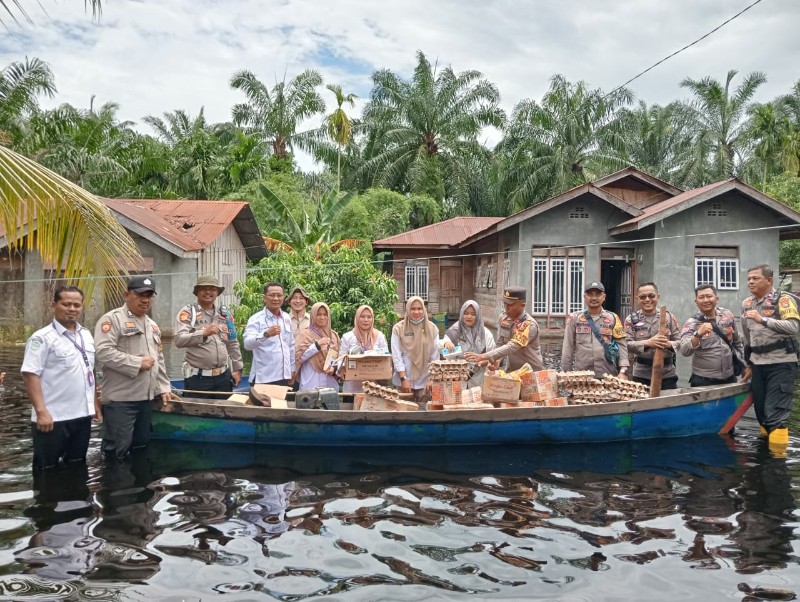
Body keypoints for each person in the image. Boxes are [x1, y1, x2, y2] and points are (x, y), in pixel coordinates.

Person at [94, 276, 171, 461]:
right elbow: (103, 352)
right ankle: (115, 488)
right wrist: (136, 363)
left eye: (149, 295)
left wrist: (163, 388)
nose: (145, 300)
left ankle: (140, 488)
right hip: (121, 400)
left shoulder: (152, 325)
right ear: (127, 294)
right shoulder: (112, 320)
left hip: (146, 399)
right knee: (117, 452)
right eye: (140, 295)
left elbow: (158, 359)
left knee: (140, 448)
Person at [21, 285, 97, 470]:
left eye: (77, 305)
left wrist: (94, 402)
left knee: (77, 466)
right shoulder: (42, 338)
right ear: (54, 304)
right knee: (46, 470)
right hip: (53, 418)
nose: (72, 309)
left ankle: (76, 498)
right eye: (66, 304)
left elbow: (89, 370)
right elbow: (30, 374)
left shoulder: (85, 335)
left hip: (82, 416)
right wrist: (41, 412)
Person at [740, 264, 800, 446]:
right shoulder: (747, 303)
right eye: (749, 278)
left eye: (755, 278)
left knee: (775, 413)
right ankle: (763, 459)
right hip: (758, 364)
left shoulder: (783, 300)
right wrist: (748, 364)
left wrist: (763, 320)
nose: (751, 281)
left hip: (782, 362)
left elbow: (793, 327)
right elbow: (747, 336)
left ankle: (777, 466)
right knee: (761, 413)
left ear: (769, 280)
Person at [174, 275, 244, 399]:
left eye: (212, 289)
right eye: (203, 288)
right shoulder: (189, 312)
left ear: (217, 293)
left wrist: (238, 369)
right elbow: (179, 340)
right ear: (197, 292)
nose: (208, 292)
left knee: (225, 414)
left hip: (224, 377)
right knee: (196, 415)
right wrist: (203, 333)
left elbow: (232, 342)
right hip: (198, 378)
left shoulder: (225, 314)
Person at [678, 284, 744, 387]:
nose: (705, 300)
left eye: (709, 296)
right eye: (701, 297)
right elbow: (684, 351)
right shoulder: (692, 323)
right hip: (703, 381)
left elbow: (737, 343)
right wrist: (698, 334)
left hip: (729, 378)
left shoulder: (727, 315)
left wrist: (744, 364)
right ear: (696, 302)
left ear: (716, 299)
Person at [466, 287, 543, 373]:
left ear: (522, 305)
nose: (506, 308)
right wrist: (497, 360)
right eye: (505, 304)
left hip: (531, 372)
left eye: (510, 305)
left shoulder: (529, 325)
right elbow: (501, 343)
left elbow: (512, 346)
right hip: (512, 371)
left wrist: (484, 356)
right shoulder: (503, 319)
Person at [561, 281, 629, 378]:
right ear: (584, 297)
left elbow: (622, 346)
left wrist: (623, 371)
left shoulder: (613, 318)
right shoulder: (574, 318)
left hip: (608, 375)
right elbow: (568, 347)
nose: (594, 298)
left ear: (604, 297)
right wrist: (565, 373)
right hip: (582, 376)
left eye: (598, 294)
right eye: (590, 294)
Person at [624, 282, 681, 389]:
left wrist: (668, 344)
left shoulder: (669, 317)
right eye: (642, 297)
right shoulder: (631, 320)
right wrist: (647, 343)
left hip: (667, 373)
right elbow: (626, 344)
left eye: (651, 296)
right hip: (641, 374)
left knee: (668, 403)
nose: (647, 299)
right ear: (637, 298)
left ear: (658, 296)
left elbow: (680, 342)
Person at [243, 282, 295, 386]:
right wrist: (266, 334)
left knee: (281, 403)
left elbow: (291, 345)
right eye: (272, 295)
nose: (276, 298)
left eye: (279, 295)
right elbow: (247, 345)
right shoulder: (256, 319)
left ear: (284, 298)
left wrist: (292, 369)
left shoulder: (286, 317)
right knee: (262, 403)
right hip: (263, 378)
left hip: (284, 376)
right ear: (264, 298)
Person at [391, 296, 440, 406]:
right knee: (404, 414)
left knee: (424, 416)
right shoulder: (398, 329)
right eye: (413, 309)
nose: (416, 312)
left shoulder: (432, 329)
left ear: (424, 309)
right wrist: (404, 379)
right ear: (408, 309)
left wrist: (432, 379)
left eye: (419, 308)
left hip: (425, 382)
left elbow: (435, 357)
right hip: (404, 381)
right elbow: (397, 356)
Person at [338, 305, 389, 394]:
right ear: (357, 318)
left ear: (372, 319)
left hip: (374, 388)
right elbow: (341, 357)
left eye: (369, 317)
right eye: (362, 316)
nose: (366, 320)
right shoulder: (348, 337)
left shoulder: (379, 336)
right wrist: (342, 368)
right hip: (352, 387)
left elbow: (385, 357)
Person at [445, 300, 497, 386]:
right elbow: (445, 355)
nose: (469, 317)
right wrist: (446, 344)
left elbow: (494, 356)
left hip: (478, 379)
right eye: (466, 313)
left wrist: (485, 361)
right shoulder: (454, 331)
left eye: (473, 314)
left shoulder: (485, 333)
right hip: (458, 380)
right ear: (462, 314)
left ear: (478, 316)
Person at [294, 302, 340, 390]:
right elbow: (299, 358)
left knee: (329, 402)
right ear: (313, 315)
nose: (322, 317)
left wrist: (334, 369)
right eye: (318, 314)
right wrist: (317, 345)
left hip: (330, 381)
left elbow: (340, 358)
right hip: (311, 380)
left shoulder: (334, 335)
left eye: (325, 314)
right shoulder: (305, 334)